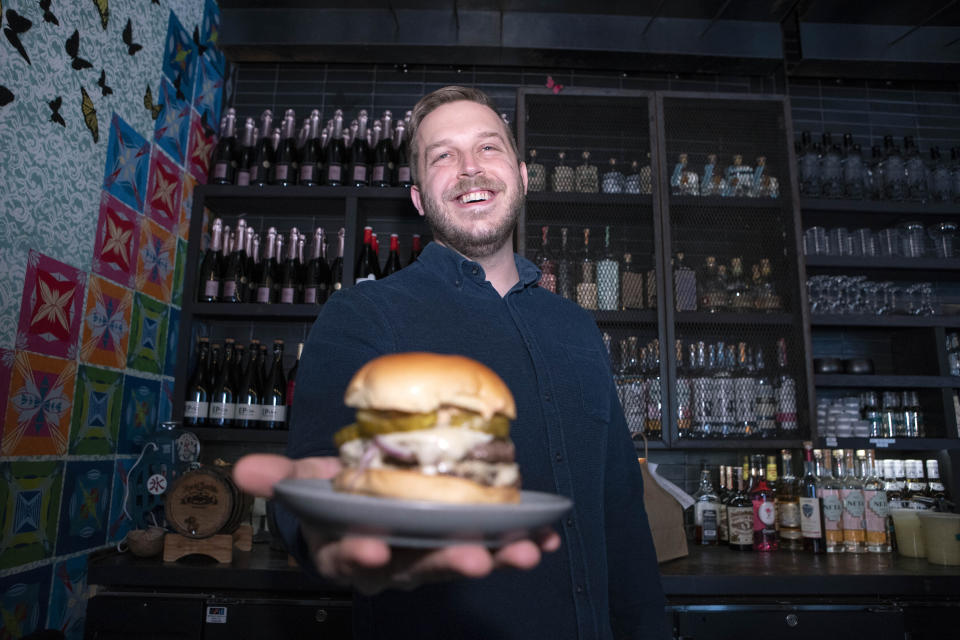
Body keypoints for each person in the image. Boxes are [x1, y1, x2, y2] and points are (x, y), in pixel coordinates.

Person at [233, 86, 668, 639]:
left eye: (488, 148)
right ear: (418, 198)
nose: (469, 169)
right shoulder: (362, 317)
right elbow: (311, 499)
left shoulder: (576, 327)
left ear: (522, 175)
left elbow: (622, 522)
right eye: (443, 155)